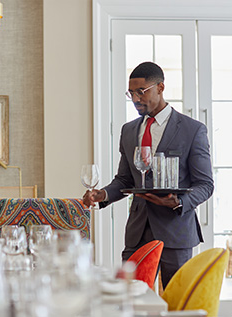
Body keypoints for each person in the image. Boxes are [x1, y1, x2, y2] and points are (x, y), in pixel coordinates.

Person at [83, 61, 214, 288]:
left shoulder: (192, 130)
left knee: (176, 302)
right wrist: (101, 194)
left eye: (141, 92)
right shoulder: (129, 130)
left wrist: (179, 202)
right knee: (130, 300)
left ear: (160, 88)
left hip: (176, 231)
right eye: (131, 93)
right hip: (137, 232)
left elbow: (205, 184)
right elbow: (124, 179)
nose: (135, 99)